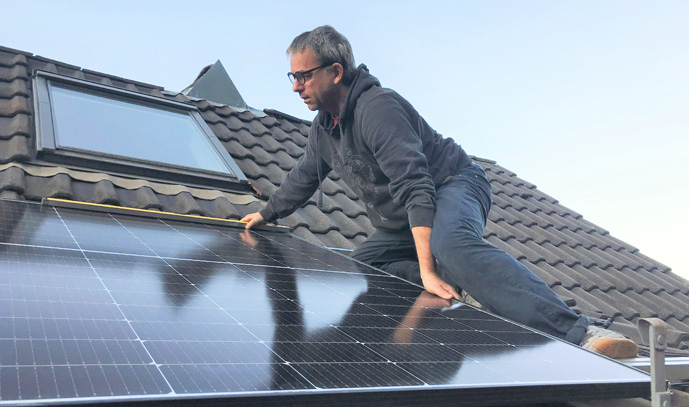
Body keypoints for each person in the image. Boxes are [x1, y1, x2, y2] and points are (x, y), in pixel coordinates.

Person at [241, 25, 637, 359]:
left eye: (303, 76)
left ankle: (580, 333)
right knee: (361, 262)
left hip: (452, 185)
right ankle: (460, 282)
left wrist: (428, 269)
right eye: (291, 77)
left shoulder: (377, 109)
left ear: (336, 71)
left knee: (452, 245)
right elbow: (304, 176)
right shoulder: (324, 129)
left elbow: (417, 186)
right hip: (403, 221)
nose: (295, 87)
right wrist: (266, 214)